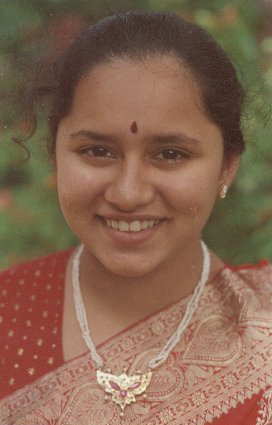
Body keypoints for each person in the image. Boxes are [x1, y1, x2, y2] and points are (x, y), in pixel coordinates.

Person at [0, 10, 271, 425]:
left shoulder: (263, 336)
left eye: (170, 154)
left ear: (226, 167)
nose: (128, 194)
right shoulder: (8, 313)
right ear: (55, 152)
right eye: (97, 151)